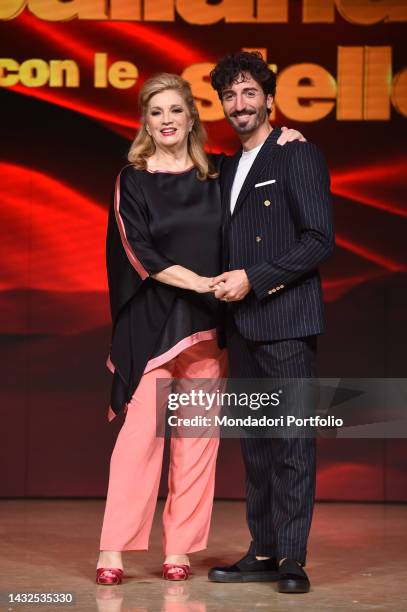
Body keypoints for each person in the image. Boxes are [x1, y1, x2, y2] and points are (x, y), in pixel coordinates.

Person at [96, 72, 304, 585]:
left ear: (191, 117)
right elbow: (140, 252)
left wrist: (288, 137)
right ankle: (112, 551)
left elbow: (265, 165)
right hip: (154, 326)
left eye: (175, 110)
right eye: (156, 112)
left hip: (209, 326)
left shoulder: (221, 173)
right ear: (145, 121)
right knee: (137, 440)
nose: (166, 120)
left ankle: (180, 550)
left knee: (196, 442)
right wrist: (204, 283)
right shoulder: (134, 178)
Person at [207, 52, 334, 594]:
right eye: (230, 96)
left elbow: (319, 240)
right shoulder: (227, 166)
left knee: (292, 441)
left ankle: (293, 557)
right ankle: (261, 549)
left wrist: (256, 279)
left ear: (268, 98)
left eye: (249, 93)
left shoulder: (295, 154)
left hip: (283, 320)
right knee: (256, 446)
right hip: (242, 327)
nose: (240, 104)